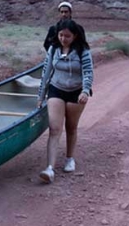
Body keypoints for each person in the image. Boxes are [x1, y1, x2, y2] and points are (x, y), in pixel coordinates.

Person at [36, 19, 94, 184]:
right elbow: (46, 72)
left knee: (71, 127)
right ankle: (49, 168)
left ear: (74, 36)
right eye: (61, 35)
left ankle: (69, 158)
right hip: (56, 89)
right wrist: (40, 96)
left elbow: (88, 72)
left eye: (67, 36)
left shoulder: (83, 50)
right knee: (54, 129)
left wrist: (85, 90)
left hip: (76, 92)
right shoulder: (54, 49)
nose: (63, 39)